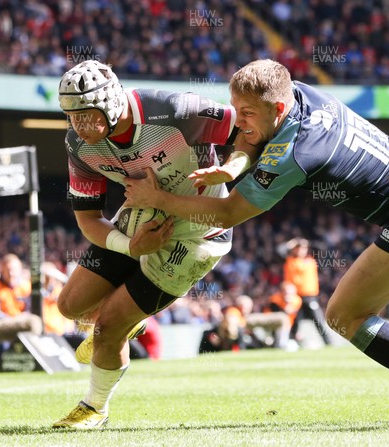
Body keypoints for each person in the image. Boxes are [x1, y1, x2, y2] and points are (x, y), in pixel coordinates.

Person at [124, 59, 389, 425]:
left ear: (277, 109)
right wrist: (230, 166)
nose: (237, 121)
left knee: (344, 315)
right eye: (234, 108)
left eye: (246, 112)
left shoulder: (296, 152)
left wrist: (155, 199)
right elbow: (250, 138)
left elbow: (228, 215)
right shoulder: (301, 93)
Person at [52, 60, 250, 429]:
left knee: (107, 327)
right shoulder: (79, 145)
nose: (78, 125)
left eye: (86, 114)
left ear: (111, 102)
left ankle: (94, 407)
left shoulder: (176, 109)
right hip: (141, 221)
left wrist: (232, 167)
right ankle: (131, 320)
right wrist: (132, 248)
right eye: (71, 116)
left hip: (198, 233)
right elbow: (88, 219)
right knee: (70, 305)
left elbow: (250, 128)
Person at [0, 253, 31, 371]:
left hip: (21, 328)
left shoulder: (26, 287)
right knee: (2, 344)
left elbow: (30, 309)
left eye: (14, 269)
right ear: (2, 269)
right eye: (8, 269)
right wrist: (12, 322)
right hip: (0, 329)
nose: (11, 273)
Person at [283, 237, 330, 344]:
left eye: (303, 248)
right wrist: (291, 243)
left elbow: (321, 247)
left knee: (318, 320)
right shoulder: (290, 260)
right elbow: (279, 250)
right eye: (298, 248)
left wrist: (307, 242)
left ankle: (328, 342)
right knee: (294, 320)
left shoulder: (310, 259)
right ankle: (289, 342)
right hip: (296, 296)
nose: (301, 250)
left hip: (310, 296)